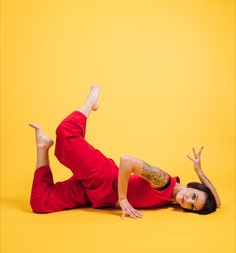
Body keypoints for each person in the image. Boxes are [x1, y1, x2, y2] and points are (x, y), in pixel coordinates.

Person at [29, 84, 221, 219]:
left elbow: (217, 203)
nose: (187, 201)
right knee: (66, 135)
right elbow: (127, 160)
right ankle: (91, 102)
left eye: (193, 207)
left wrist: (200, 172)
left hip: (92, 197)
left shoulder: (173, 200)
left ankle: (43, 146)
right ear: (193, 187)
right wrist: (123, 199)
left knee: (39, 203)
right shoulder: (162, 181)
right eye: (193, 196)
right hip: (103, 178)